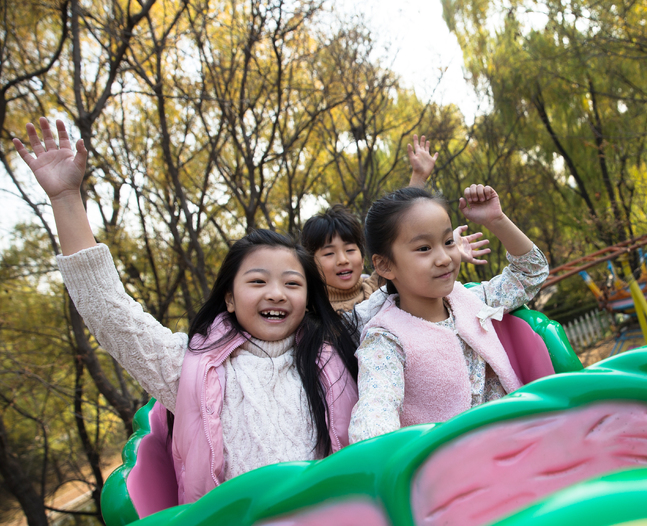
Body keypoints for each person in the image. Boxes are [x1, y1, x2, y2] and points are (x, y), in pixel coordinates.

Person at [13, 117, 358, 504]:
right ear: (229, 298)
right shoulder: (188, 368)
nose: (276, 294)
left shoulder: (340, 351)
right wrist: (65, 199)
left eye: (292, 284)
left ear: (308, 299)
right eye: (258, 282)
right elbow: (109, 312)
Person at [348, 183, 548, 443]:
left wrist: (496, 220)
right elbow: (376, 414)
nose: (444, 258)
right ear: (385, 265)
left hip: (518, 435)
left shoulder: (472, 299)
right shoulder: (386, 340)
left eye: (448, 242)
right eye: (424, 248)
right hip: (457, 466)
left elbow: (530, 273)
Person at [301, 135, 490, 313]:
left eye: (350, 250)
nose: (343, 259)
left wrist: (418, 178)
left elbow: (402, 227)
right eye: (328, 253)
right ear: (310, 261)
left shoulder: (375, 286)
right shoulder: (310, 305)